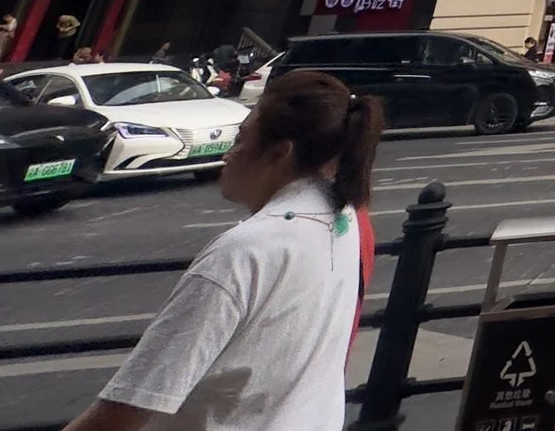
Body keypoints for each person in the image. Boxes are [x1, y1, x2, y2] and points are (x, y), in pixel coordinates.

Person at [64, 71, 381, 431]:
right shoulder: (343, 215)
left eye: (242, 138)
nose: (229, 153)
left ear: (280, 153)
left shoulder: (243, 253)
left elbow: (126, 410)